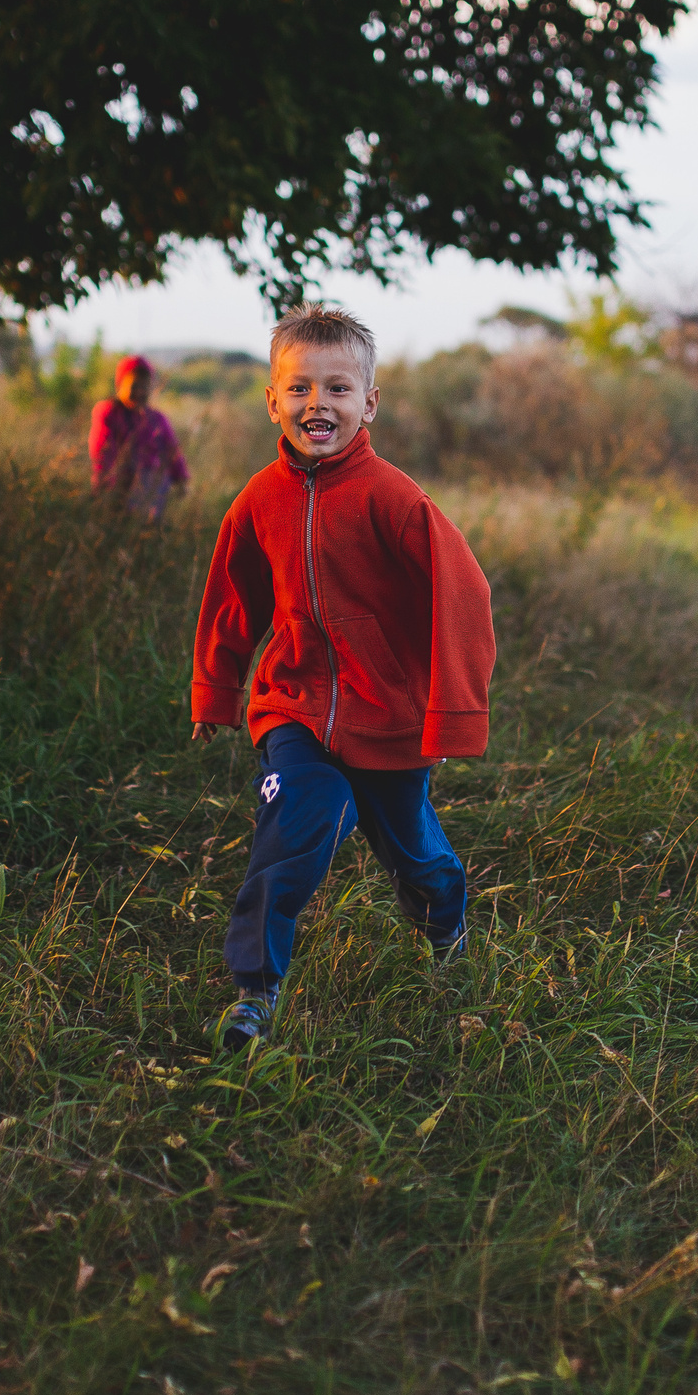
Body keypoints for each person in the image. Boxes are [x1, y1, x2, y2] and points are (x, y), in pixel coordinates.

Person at [189, 304, 495, 1052]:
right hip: (293, 705)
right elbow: (234, 594)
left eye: (337, 388)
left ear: (369, 402)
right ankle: (255, 992)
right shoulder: (260, 498)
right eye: (298, 389)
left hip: (388, 716)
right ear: (272, 401)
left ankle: (447, 932)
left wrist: (448, 713)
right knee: (295, 821)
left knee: (416, 855)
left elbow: (463, 597)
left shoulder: (394, 499)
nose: (316, 405)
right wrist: (218, 689)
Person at [87, 354, 189, 520]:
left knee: (147, 525)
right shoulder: (109, 412)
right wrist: (103, 479)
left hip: (152, 489)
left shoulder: (157, 419)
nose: (140, 392)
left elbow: (172, 449)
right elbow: (102, 449)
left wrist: (181, 479)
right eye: (134, 386)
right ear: (120, 385)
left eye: (145, 387)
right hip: (120, 484)